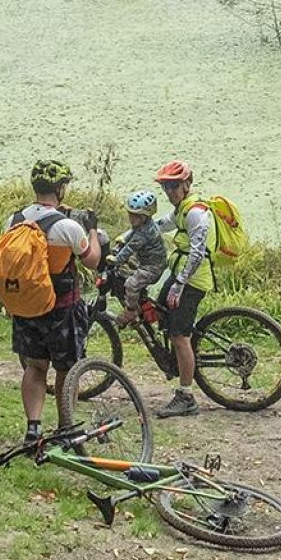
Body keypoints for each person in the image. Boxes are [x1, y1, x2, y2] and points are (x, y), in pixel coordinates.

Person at [6, 159, 101, 452]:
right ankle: (65, 429)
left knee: (35, 367)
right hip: (61, 308)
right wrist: (93, 231)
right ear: (60, 189)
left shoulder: (14, 220)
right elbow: (92, 260)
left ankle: (33, 429)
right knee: (66, 369)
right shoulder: (68, 226)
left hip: (26, 306)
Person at [153, 159, 211, 418]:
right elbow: (161, 224)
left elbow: (197, 253)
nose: (170, 192)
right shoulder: (181, 209)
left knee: (180, 336)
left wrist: (179, 283)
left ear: (187, 184)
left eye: (174, 186)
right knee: (159, 309)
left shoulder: (195, 212)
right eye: (166, 187)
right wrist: (131, 234)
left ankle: (186, 397)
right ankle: (177, 360)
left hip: (192, 280)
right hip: (179, 274)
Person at [104, 189, 169, 323]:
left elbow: (130, 248)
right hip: (147, 262)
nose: (132, 219)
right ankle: (144, 307)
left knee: (131, 284)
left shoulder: (145, 233)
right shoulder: (143, 225)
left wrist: (116, 260)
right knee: (126, 274)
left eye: (136, 216)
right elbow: (132, 231)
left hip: (153, 267)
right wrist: (123, 237)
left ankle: (131, 311)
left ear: (145, 217)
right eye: (130, 215)